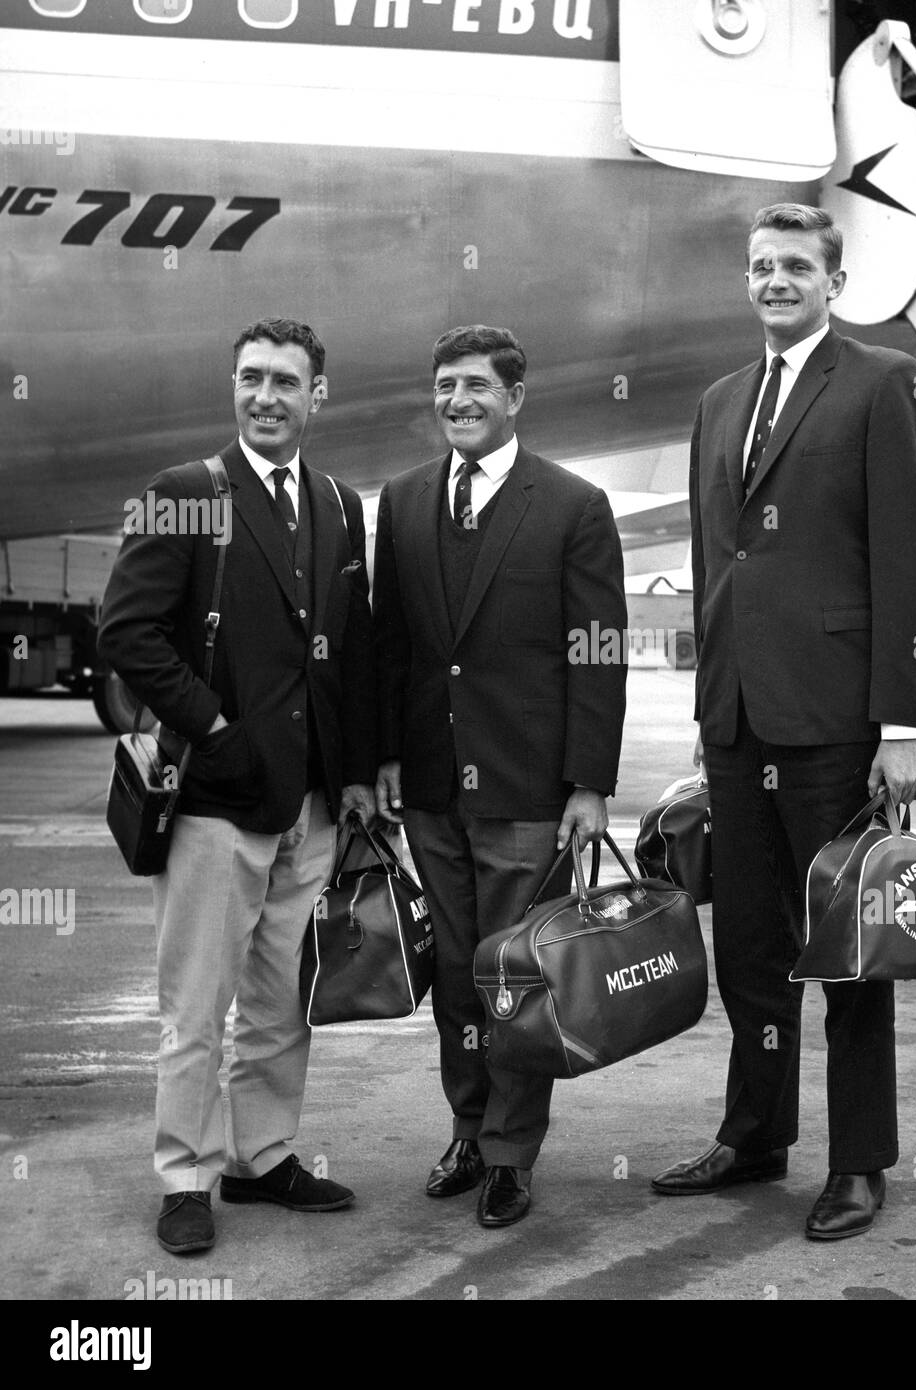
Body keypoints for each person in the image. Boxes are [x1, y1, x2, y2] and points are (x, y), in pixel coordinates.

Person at [651, 205, 916, 1241]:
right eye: (761, 267)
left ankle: (859, 1160)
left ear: (834, 279)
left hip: (834, 721)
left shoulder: (880, 383)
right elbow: (715, 566)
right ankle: (755, 1135)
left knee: (847, 950)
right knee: (749, 946)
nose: (776, 281)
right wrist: (708, 701)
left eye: (795, 267)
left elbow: (911, 554)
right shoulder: (720, 401)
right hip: (736, 718)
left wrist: (900, 720)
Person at [98, 317, 377, 1255]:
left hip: (312, 806)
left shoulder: (340, 505)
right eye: (251, 378)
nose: (266, 396)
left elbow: (351, 653)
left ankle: (262, 1157)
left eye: (285, 382)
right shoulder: (184, 494)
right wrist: (211, 727)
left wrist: (357, 776)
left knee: (278, 1001)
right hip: (217, 806)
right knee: (196, 1004)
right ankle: (186, 1175)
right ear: (234, 387)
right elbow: (125, 634)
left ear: (316, 395)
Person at [373, 325, 627, 1229]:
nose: (458, 401)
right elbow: (392, 645)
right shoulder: (401, 502)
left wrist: (589, 784)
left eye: (477, 386)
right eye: (445, 386)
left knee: (515, 977)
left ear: (515, 398)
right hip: (434, 786)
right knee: (454, 971)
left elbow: (596, 656)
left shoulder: (572, 504)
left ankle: (514, 1154)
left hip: (528, 789)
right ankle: (469, 1131)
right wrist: (387, 753)